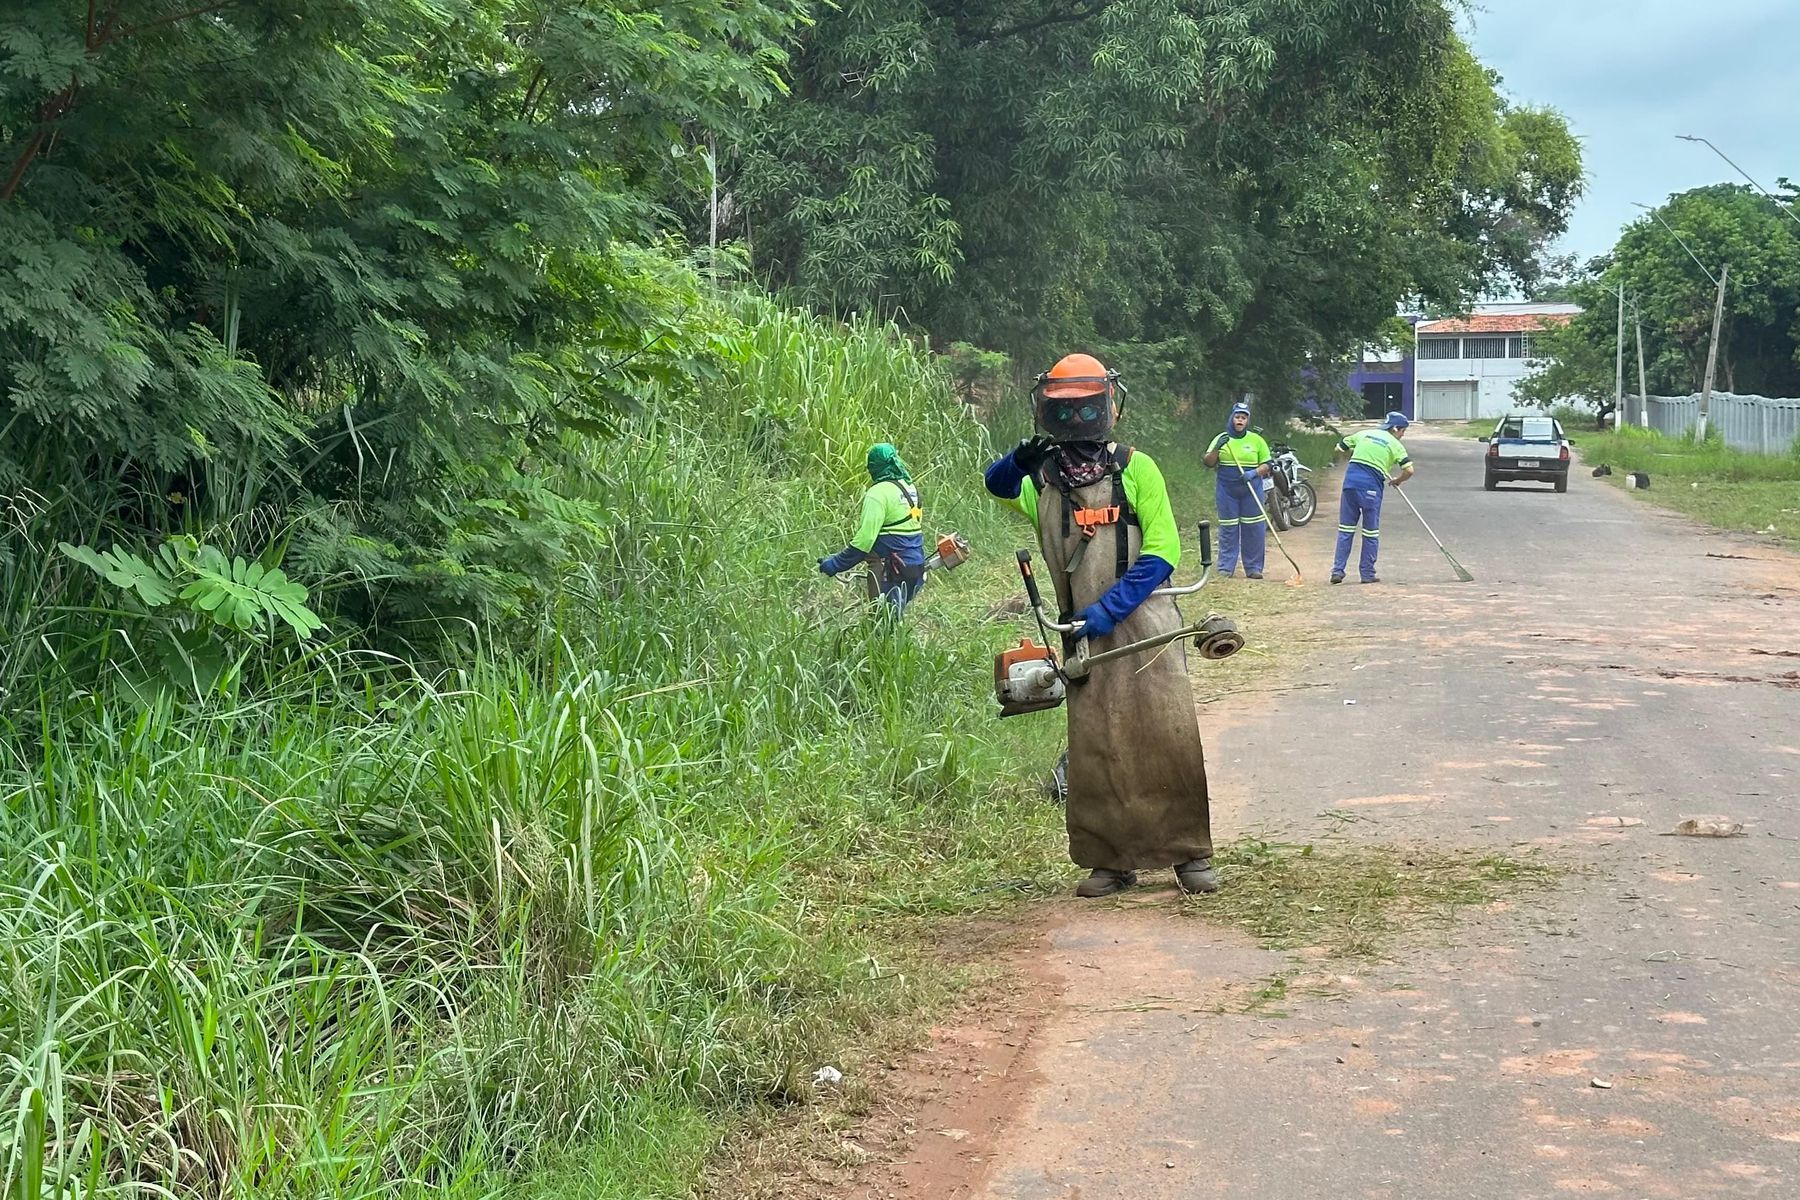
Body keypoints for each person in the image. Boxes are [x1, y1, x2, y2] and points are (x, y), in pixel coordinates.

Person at [984, 353, 1218, 898]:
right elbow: (997, 485)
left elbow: (1162, 552)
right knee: (1097, 746)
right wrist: (1019, 457)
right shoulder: (1041, 480)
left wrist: (1109, 609)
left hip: (1146, 624)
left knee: (1165, 733)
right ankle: (1110, 863)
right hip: (1079, 635)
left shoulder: (1138, 468)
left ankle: (1188, 856)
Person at [818, 443, 926, 615]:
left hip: (891, 572)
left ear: (874, 467)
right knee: (894, 623)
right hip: (917, 569)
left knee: (881, 622)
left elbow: (864, 542)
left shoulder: (877, 493)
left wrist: (834, 564)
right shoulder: (910, 488)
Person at [1332, 411, 1414, 585]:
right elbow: (1409, 470)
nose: (1402, 435)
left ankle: (1337, 571)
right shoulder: (1395, 445)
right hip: (1371, 489)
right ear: (1395, 428)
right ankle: (1367, 573)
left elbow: (1339, 448)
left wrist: (1351, 458)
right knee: (1370, 532)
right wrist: (1397, 481)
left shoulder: (1364, 434)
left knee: (1346, 530)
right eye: (1402, 431)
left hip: (1350, 485)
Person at [1202, 401, 1273, 578]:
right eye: (1237, 417)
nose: (1240, 420)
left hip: (1251, 488)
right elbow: (1208, 462)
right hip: (1227, 490)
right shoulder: (1222, 438)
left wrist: (1254, 472)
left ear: (1247, 421)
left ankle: (1254, 567)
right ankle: (1226, 567)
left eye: (1243, 417)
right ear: (1232, 418)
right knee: (1229, 528)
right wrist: (1218, 447)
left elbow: (1267, 464)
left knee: (1253, 528)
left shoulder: (1256, 440)